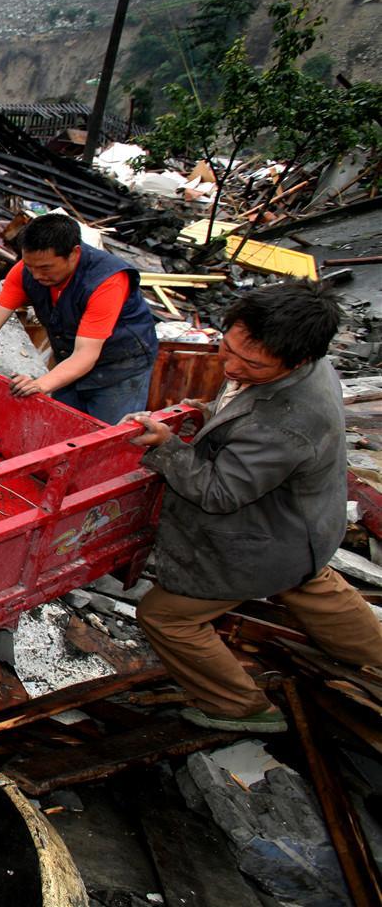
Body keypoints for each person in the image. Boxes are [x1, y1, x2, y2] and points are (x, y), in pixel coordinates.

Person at [126, 280, 382, 733]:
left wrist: (167, 448)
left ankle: (240, 707)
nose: (230, 365)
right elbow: (240, 412)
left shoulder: (289, 421)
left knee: (165, 617)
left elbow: (219, 493)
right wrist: (204, 416)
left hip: (263, 538)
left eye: (250, 363)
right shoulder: (303, 361)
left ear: (297, 359)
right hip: (303, 527)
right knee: (309, 581)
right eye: (227, 349)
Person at [0, 213, 157, 423]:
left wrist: (40, 384)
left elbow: (86, 354)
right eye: (31, 266)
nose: (37, 275)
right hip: (70, 362)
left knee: (106, 438)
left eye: (46, 268)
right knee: (62, 426)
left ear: (74, 253)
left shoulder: (107, 281)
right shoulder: (26, 270)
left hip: (119, 368)